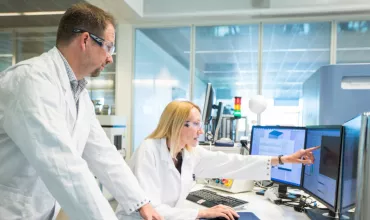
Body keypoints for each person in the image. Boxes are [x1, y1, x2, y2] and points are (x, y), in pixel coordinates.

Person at [0, 3, 162, 220]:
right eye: (109, 47)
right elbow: (63, 165)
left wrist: (142, 203)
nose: (110, 57)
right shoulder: (30, 80)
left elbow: (103, 153)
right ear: (85, 40)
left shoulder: (79, 93)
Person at [115, 100, 319, 220]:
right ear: (178, 125)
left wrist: (284, 159)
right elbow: (151, 209)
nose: (201, 131)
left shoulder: (188, 153)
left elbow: (234, 163)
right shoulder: (149, 151)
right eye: (195, 124)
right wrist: (202, 213)